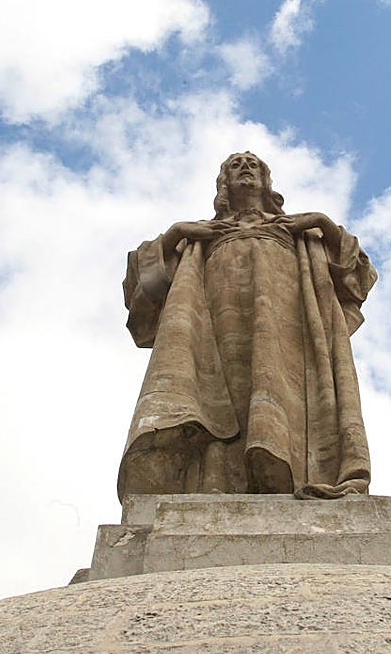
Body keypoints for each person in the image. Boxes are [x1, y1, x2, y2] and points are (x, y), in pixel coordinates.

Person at [119, 151, 377, 499]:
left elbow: (358, 274)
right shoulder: (199, 235)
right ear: (224, 181)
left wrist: (322, 222)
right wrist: (176, 232)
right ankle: (215, 484)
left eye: (252, 163)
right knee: (213, 396)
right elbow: (140, 283)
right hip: (211, 323)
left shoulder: (300, 231)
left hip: (288, 325)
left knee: (279, 387)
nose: (245, 167)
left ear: (266, 181)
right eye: (235, 164)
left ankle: (297, 476)